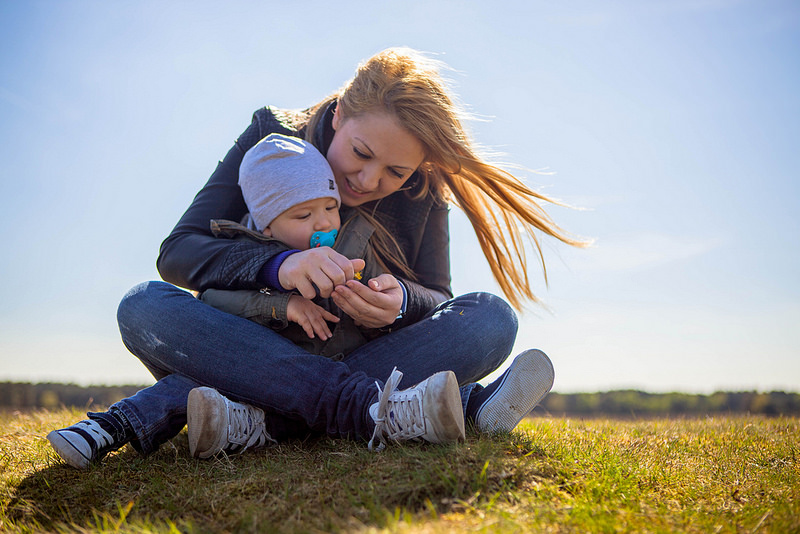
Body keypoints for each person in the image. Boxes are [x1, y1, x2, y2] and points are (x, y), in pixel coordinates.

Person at [46, 47, 583, 469]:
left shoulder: (424, 191)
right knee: (143, 305)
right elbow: (179, 254)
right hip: (255, 338)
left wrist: (400, 304)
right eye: (362, 154)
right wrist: (278, 268)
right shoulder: (270, 139)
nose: (369, 182)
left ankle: (257, 417)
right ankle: (398, 410)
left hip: (335, 354)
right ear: (340, 113)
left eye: (394, 173)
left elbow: (438, 297)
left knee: (490, 317)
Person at [199, 132, 392, 360]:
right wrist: (284, 305)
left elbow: (383, 299)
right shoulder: (245, 251)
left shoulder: (355, 242)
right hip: (273, 367)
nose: (324, 222)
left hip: (353, 362)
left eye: (331, 208)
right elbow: (210, 300)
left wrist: (374, 313)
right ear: (267, 226)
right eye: (303, 215)